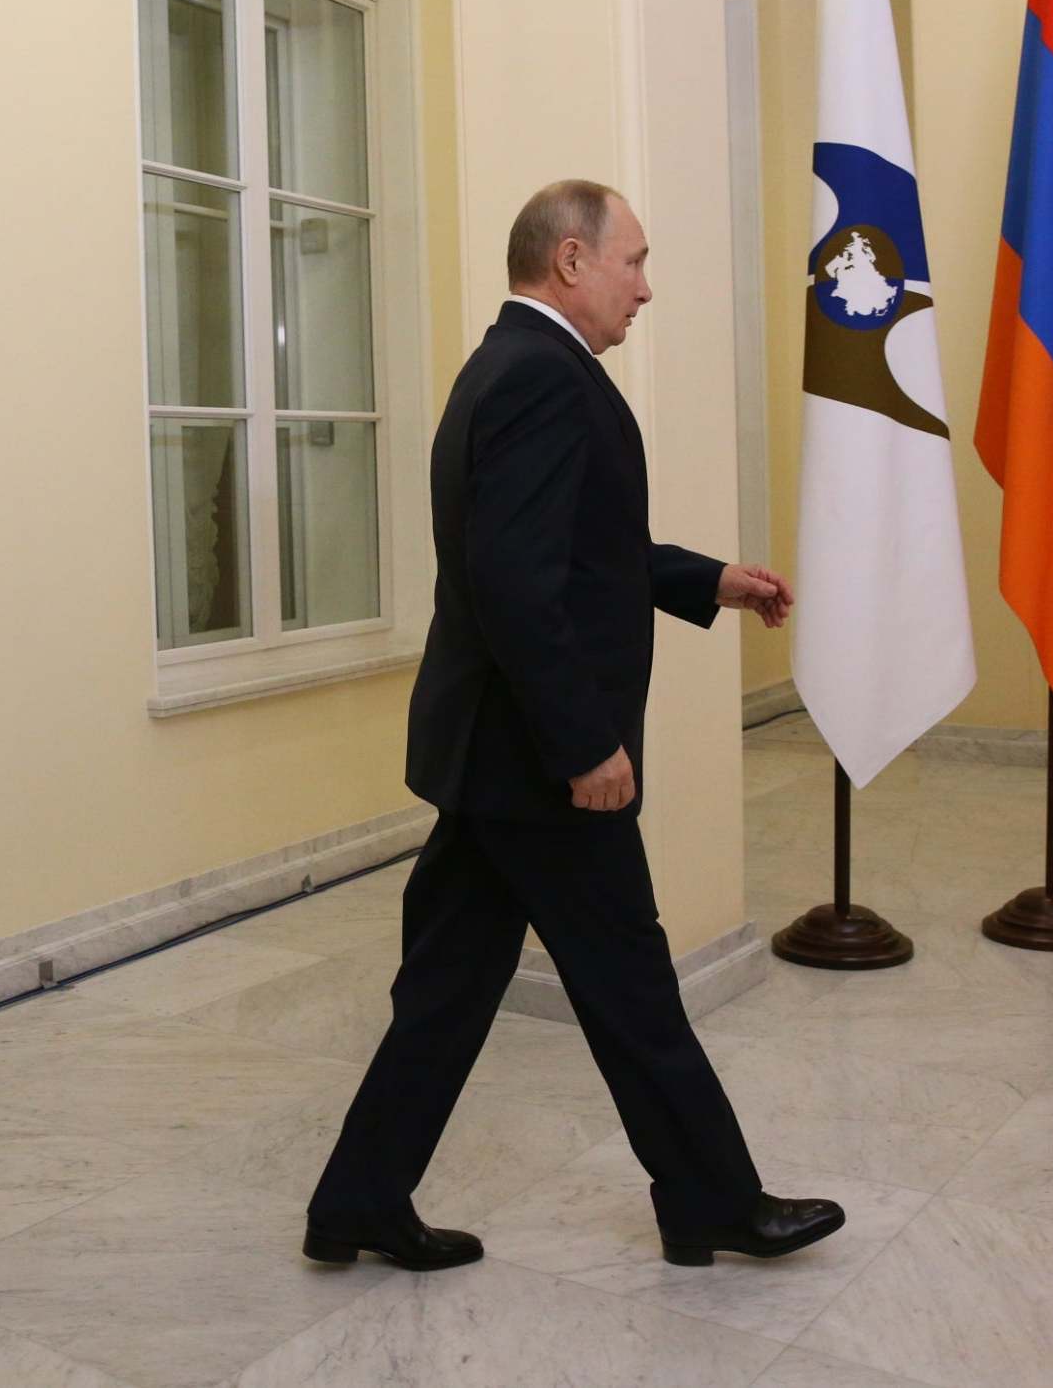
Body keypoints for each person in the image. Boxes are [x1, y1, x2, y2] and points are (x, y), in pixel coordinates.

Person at [302, 180, 844, 1272]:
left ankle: (356, 1198)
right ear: (568, 260)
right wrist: (584, 742)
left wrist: (709, 579)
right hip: (536, 761)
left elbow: (576, 552)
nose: (644, 286)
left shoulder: (518, 368)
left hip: (495, 755)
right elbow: (513, 582)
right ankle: (713, 1200)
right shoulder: (542, 380)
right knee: (631, 983)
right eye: (632, 261)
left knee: (449, 989)